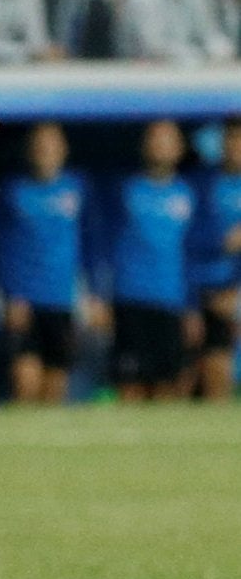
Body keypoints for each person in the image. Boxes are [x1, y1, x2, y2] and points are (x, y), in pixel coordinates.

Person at [0, 121, 90, 404]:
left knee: (56, 385)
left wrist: (93, 293)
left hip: (62, 298)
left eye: (51, 144)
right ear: (29, 151)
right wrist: (9, 294)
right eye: (39, 145)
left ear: (63, 149)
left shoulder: (77, 188)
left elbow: (90, 242)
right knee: (25, 382)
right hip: (24, 300)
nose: (45, 151)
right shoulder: (13, 191)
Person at [102, 118, 200, 401]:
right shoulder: (124, 189)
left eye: (167, 139)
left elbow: (191, 252)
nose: (160, 146)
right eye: (155, 139)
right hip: (130, 299)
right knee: (130, 384)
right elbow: (106, 246)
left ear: (180, 148)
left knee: (169, 385)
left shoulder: (189, 193)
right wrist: (102, 295)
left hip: (171, 301)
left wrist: (192, 305)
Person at [194, 119, 241, 399]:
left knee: (219, 366)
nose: (235, 146)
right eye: (231, 139)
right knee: (187, 376)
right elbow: (187, 237)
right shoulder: (202, 183)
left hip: (230, 292)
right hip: (196, 290)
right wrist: (220, 243)